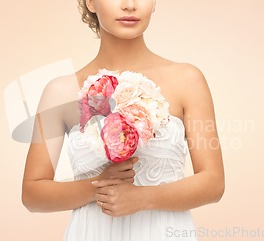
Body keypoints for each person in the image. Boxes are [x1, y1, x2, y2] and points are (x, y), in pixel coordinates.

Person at [21, 0, 225, 240]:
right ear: (91, 3)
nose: (130, 5)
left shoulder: (187, 79)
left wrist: (143, 198)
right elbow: (32, 193)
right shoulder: (60, 91)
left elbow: (213, 183)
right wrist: (98, 186)